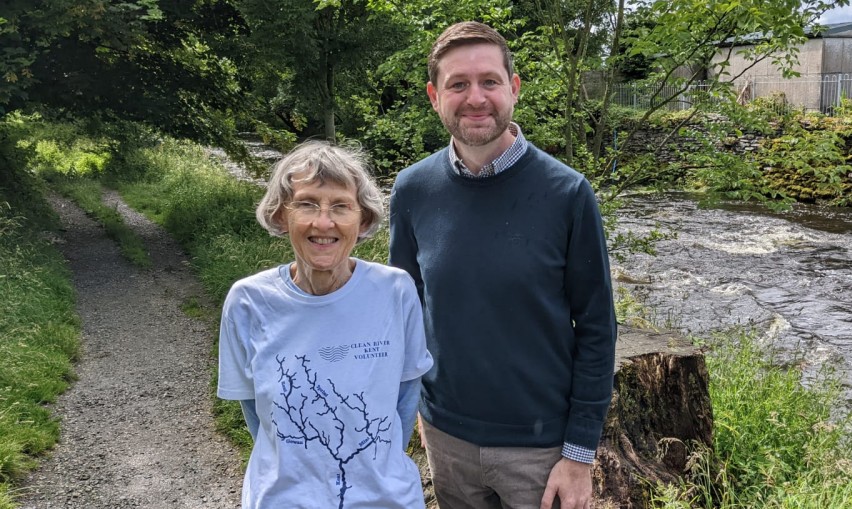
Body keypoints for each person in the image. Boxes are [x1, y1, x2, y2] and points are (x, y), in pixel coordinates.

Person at [389, 21, 617, 509]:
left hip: (542, 451)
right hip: (446, 439)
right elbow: (404, 314)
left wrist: (579, 455)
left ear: (513, 89)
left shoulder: (568, 194)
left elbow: (598, 328)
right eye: (458, 84)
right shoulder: (411, 191)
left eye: (489, 81)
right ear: (434, 96)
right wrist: (414, 418)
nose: (476, 97)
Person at [217, 140, 433, 508]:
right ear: (280, 215)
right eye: (306, 204)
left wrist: (373, 469)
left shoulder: (395, 291)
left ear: (362, 219)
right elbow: (258, 417)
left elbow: (406, 393)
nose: (323, 222)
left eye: (340, 206)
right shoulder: (249, 301)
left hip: (385, 499)